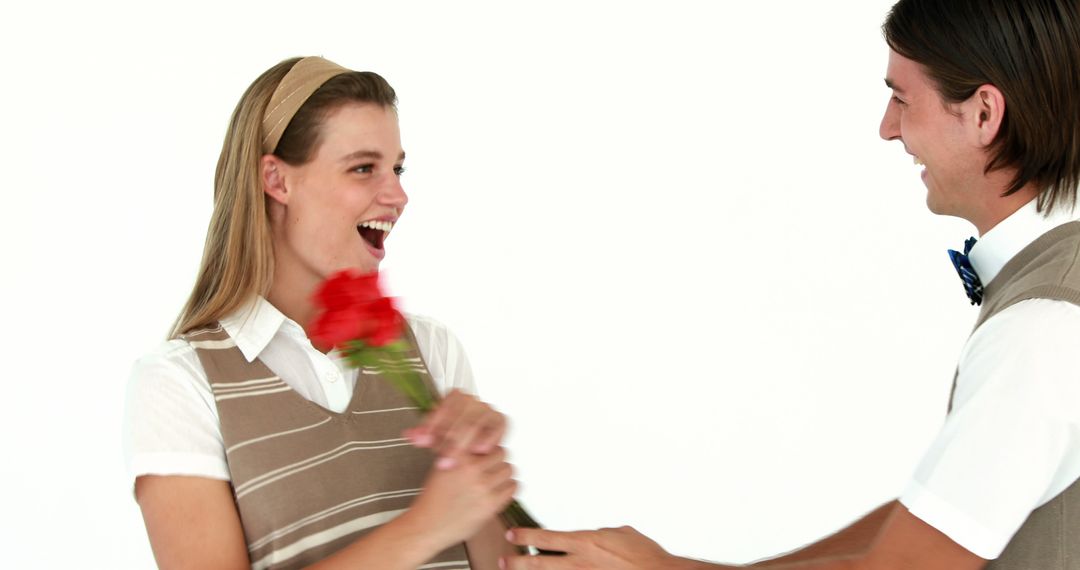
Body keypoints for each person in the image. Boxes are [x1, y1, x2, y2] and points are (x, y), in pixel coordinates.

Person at [504, 0, 1080, 568]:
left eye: (902, 99)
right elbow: (943, 515)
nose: (886, 128)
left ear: (983, 114)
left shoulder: (1040, 331)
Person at [122, 56, 518, 570]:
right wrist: (425, 527)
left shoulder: (432, 351)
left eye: (396, 168)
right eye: (363, 167)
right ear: (277, 180)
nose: (398, 194)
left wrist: (481, 474)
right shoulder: (180, 385)